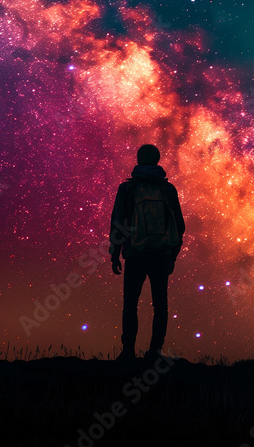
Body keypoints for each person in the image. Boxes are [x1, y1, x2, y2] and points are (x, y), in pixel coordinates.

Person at [109, 144, 185, 361]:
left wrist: (115, 253)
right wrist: (173, 255)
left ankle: (127, 351)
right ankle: (155, 351)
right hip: (161, 255)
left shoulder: (128, 189)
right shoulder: (167, 189)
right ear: (157, 160)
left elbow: (119, 222)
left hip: (135, 253)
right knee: (160, 304)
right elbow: (179, 225)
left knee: (130, 304)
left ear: (139, 159)